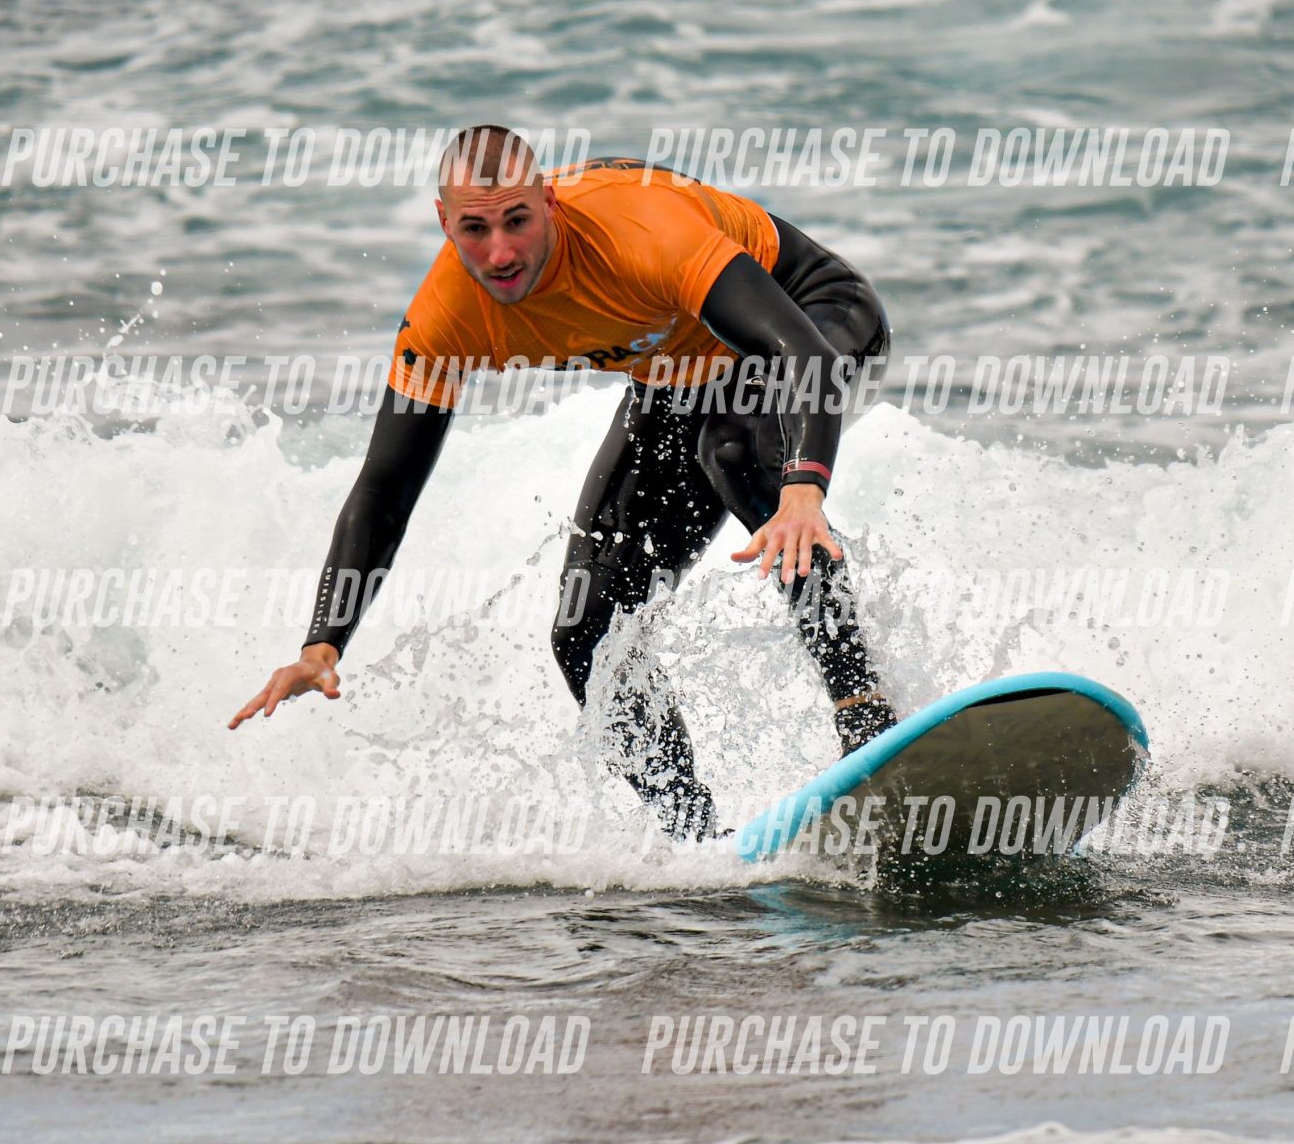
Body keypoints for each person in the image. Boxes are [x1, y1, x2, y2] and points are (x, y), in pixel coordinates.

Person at [228, 126, 898, 839]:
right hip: (680, 372)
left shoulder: (638, 228)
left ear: (549, 203)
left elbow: (807, 359)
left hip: (816, 318)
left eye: (517, 221)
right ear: (444, 222)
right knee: (586, 632)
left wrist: (802, 489)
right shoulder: (445, 316)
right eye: (475, 229)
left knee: (735, 448)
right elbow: (382, 491)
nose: (501, 253)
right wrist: (323, 644)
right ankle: (698, 838)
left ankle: (865, 713)